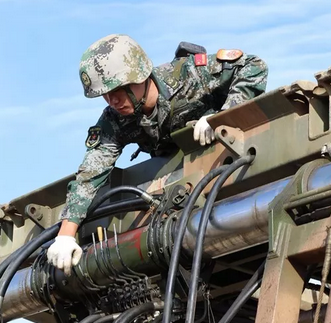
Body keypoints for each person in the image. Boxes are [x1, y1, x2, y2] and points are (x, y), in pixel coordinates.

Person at [47, 34, 268, 273]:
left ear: (140, 76)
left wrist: (222, 117)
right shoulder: (114, 121)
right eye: (105, 95)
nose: (112, 101)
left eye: (118, 90)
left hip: (230, 171)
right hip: (182, 193)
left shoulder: (189, 75)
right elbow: (90, 174)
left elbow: (254, 66)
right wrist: (66, 235)